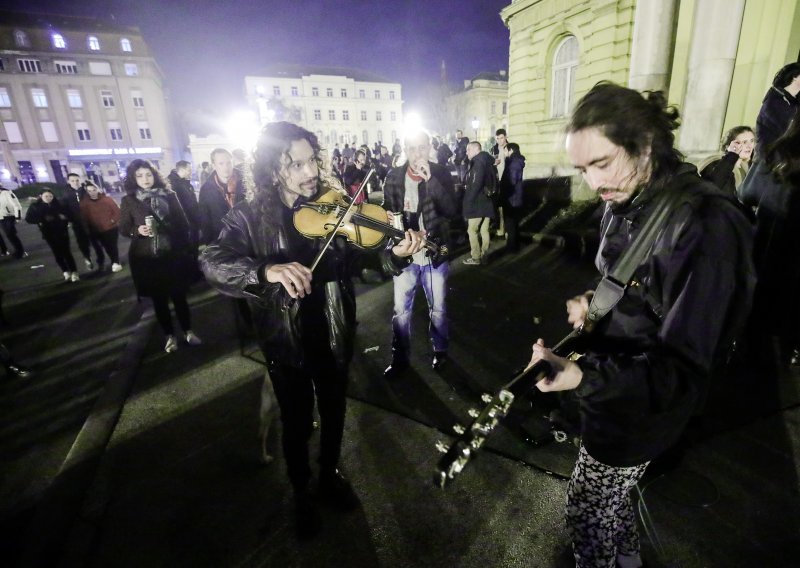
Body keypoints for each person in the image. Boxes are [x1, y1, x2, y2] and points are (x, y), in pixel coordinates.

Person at [526, 82, 754, 567]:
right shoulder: (627, 197)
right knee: (614, 506)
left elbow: (683, 371)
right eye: (581, 169)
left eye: (601, 163)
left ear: (645, 144)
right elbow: (634, 285)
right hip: (616, 391)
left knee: (587, 513)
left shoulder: (705, 223)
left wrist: (581, 377)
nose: (592, 183)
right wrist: (594, 303)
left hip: (642, 409)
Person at [200, 121, 425, 539]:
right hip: (285, 342)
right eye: (296, 164)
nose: (310, 173)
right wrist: (265, 269)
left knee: (335, 412)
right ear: (272, 169)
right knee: (297, 421)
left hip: (335, 332)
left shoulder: (331, 205)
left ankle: (329, 476)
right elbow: (212, 261)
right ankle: (301, 491)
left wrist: (395, 254)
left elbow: (366, 263)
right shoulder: (248, 217)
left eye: (312, 161)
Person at [382, 129, 459, 377]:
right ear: (405, 150)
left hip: (435, 252)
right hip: (405, 255)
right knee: (401, 311)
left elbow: (451, 211)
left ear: (430, 147)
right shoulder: (393, 177)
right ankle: (400, 357)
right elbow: (388, 214)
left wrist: (431, 182)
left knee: (438, 308)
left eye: (422, 148)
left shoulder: (441, 173)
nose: (418, 154)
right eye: (412, 148)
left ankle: (440, 351)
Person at [119, 159, 201, 353]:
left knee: (179, 296)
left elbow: (184, 224)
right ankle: (169, 336)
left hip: (172, 256)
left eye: (148, 174)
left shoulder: (169, 195)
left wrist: (172, 233)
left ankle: (188, 331)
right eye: (139, 175)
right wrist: (137, 230)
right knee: (159, 300)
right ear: (133, 178)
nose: (145, 179)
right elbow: (123, 228)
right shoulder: (129, 200)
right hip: (148, 259)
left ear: (154, 176)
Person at [25, 188, 79, 282]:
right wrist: (41, 220)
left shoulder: (59, 205)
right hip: (48, 233)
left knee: (67, 253)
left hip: (62, 232)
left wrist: (64, 217)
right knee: (57, 253)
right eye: (46, 196)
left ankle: (74, 272)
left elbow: (70, 216)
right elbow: (28, 219)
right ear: (41, 196)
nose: (49, 198)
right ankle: (65, 271)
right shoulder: (35, 206)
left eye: (50, 196)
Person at [198, 149, 245, 245]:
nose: (226, 167)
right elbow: (205, 221)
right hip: (222, 242)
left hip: (248, 239)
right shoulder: (206, 189)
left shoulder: (246, 182)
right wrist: (210, 245)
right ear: (214, 166)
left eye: (229, 163)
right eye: (221, 163)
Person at [755, 62, 800, 159]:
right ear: (795, 76)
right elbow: (789, 129)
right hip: (769, 160)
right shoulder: (774, 101)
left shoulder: (792, 103)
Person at [462, 141, 495, 265]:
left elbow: (476, 184)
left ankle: (476, 257)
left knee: (472, 230)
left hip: (478, 202)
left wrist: (468, 201)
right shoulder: (487, 160)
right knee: (484, 230)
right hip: (487, 201)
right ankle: (484, 256)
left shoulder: (478, 162)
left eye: (468, 149)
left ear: (476, 149)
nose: (466, 152)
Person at [699, 126, 755, 197]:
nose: (749, 146)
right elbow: (713, 187)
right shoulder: (715, 164)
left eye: (752, 141)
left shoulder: (749, 168)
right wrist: (732, 155)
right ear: (729, 146)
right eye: (744, 142)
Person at [80, 181, 123, 272]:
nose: (92, 192)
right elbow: (84, 218)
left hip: (111, 228)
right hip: (96, 230)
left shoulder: (107, 199)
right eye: (89, 191)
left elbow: (117, 211)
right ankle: (112, 261)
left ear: (97, 189)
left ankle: (116, 262)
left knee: (112, 245)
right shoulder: (84, 204)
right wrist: (87, 229)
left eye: (94, 190)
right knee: (106, 246)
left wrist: (112, 220)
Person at [63, 173, 100, 269]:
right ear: (68, 181)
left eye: (77, 180)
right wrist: (69, 219)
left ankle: (100, 260)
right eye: (72, 181)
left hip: (91, 221)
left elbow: (96, 197)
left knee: (96, 241)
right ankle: (87, 258)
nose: (75, 182)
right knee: (82, 242)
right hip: (77, 223)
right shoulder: (66, 194)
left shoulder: (85, 191)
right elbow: (65, 208)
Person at [168, 161, 201, 249]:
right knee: (189, 247)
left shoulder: (185, 182)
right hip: (185, 222)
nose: (191, 172)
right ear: (182, 170)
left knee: (194, 246)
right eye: (189, 170)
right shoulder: (172, 184)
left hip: (192, 220)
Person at [499, 142, 526, 253]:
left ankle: (512, 247)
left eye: (505, 150)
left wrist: (504, 191)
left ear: (511, 150)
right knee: (514, 223)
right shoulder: (515, 161)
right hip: (515, 197)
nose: (504, 153)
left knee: (510, 223)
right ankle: (515, 245)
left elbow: (512, 181)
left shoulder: (514, 163)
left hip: (511, 198)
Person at [491, 129, 509, 237]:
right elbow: (490, 163)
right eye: (497, 138)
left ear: (506, 137)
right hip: (497, 180)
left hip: (507, 180)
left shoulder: (510, 148)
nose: (499, 141)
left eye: (501, 138)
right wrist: (493, 163)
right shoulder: (494, 149)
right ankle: (500, 228)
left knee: (506, 207)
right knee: (498, 207)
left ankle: (507, 229)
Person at [0, 185, 26, 259]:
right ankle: (6, 250)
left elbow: (16, 205)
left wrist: (17, 216)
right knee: (9, 235)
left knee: (11, 235)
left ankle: (20, 252)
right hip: (1, 217)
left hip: (8, 216)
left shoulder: (6, 193)